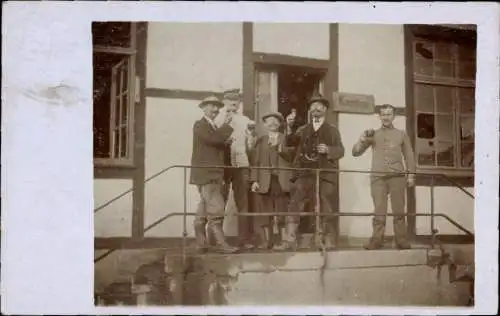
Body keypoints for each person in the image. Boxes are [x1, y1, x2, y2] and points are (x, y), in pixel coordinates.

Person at [275, 92, 345, 251]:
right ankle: (290, 239)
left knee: (325, 202)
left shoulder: (332, 131)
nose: (316, 109)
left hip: (325, 174)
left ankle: (324, 238)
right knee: (296, 201)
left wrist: (328, 149)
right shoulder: (302, 129)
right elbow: (290, 142)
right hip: (304, 172)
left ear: (326, 109)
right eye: (313, 106)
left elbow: (341, 150)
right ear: (309, 111)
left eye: (319, 106)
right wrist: (288, 126)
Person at [352, 104, 416, 250]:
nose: (386, 117)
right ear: (379, 116)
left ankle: (401, 240)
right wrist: (361, 140)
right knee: (379, 210)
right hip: (378, 178)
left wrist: (411, 175)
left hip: (397, 177)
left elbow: (409, 156)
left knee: (399, 210)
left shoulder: (401, 134)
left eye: (389, 114)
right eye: (383, 114)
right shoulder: (373, 134)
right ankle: (376, 240)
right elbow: (355, 152)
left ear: (394, 116)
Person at [189, 95, 238, 254]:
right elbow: (213, 140)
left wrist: (226, 143)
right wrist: (227, 126)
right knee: (216, 209)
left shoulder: (212, 127)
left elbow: (215, 144)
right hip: (208, 174)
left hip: (211, 174)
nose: (216, 110)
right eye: (212, 106)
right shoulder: (200, 125)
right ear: (203, 108)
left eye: (217, 107)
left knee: (204, 209)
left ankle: (201, 243)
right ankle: (221, 244)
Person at [216, 88, 256, 250]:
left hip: (241, 165)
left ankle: (244, 239)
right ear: (224, 102)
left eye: (237, 100)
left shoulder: (246, 120)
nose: (234, 103)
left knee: (243, 202)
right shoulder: (218, 119)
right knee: (219, 201)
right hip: (223, 165)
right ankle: (216, 240)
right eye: (230, 100)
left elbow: (251, 147)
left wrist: (252, 137)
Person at [249, 111, 295, 249]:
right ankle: (266, 241)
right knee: (265, 212)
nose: (273, 123)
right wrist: (254, 180)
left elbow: (291, 157)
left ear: (280, 124)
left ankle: (280, 241)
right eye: (269, 120)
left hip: (281, 180)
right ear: (264, 124)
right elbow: (255, 162)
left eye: (276, 120)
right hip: (264, 181)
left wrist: (279, 147)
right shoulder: (261, 140)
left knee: (281, 211)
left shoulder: (285, 138)